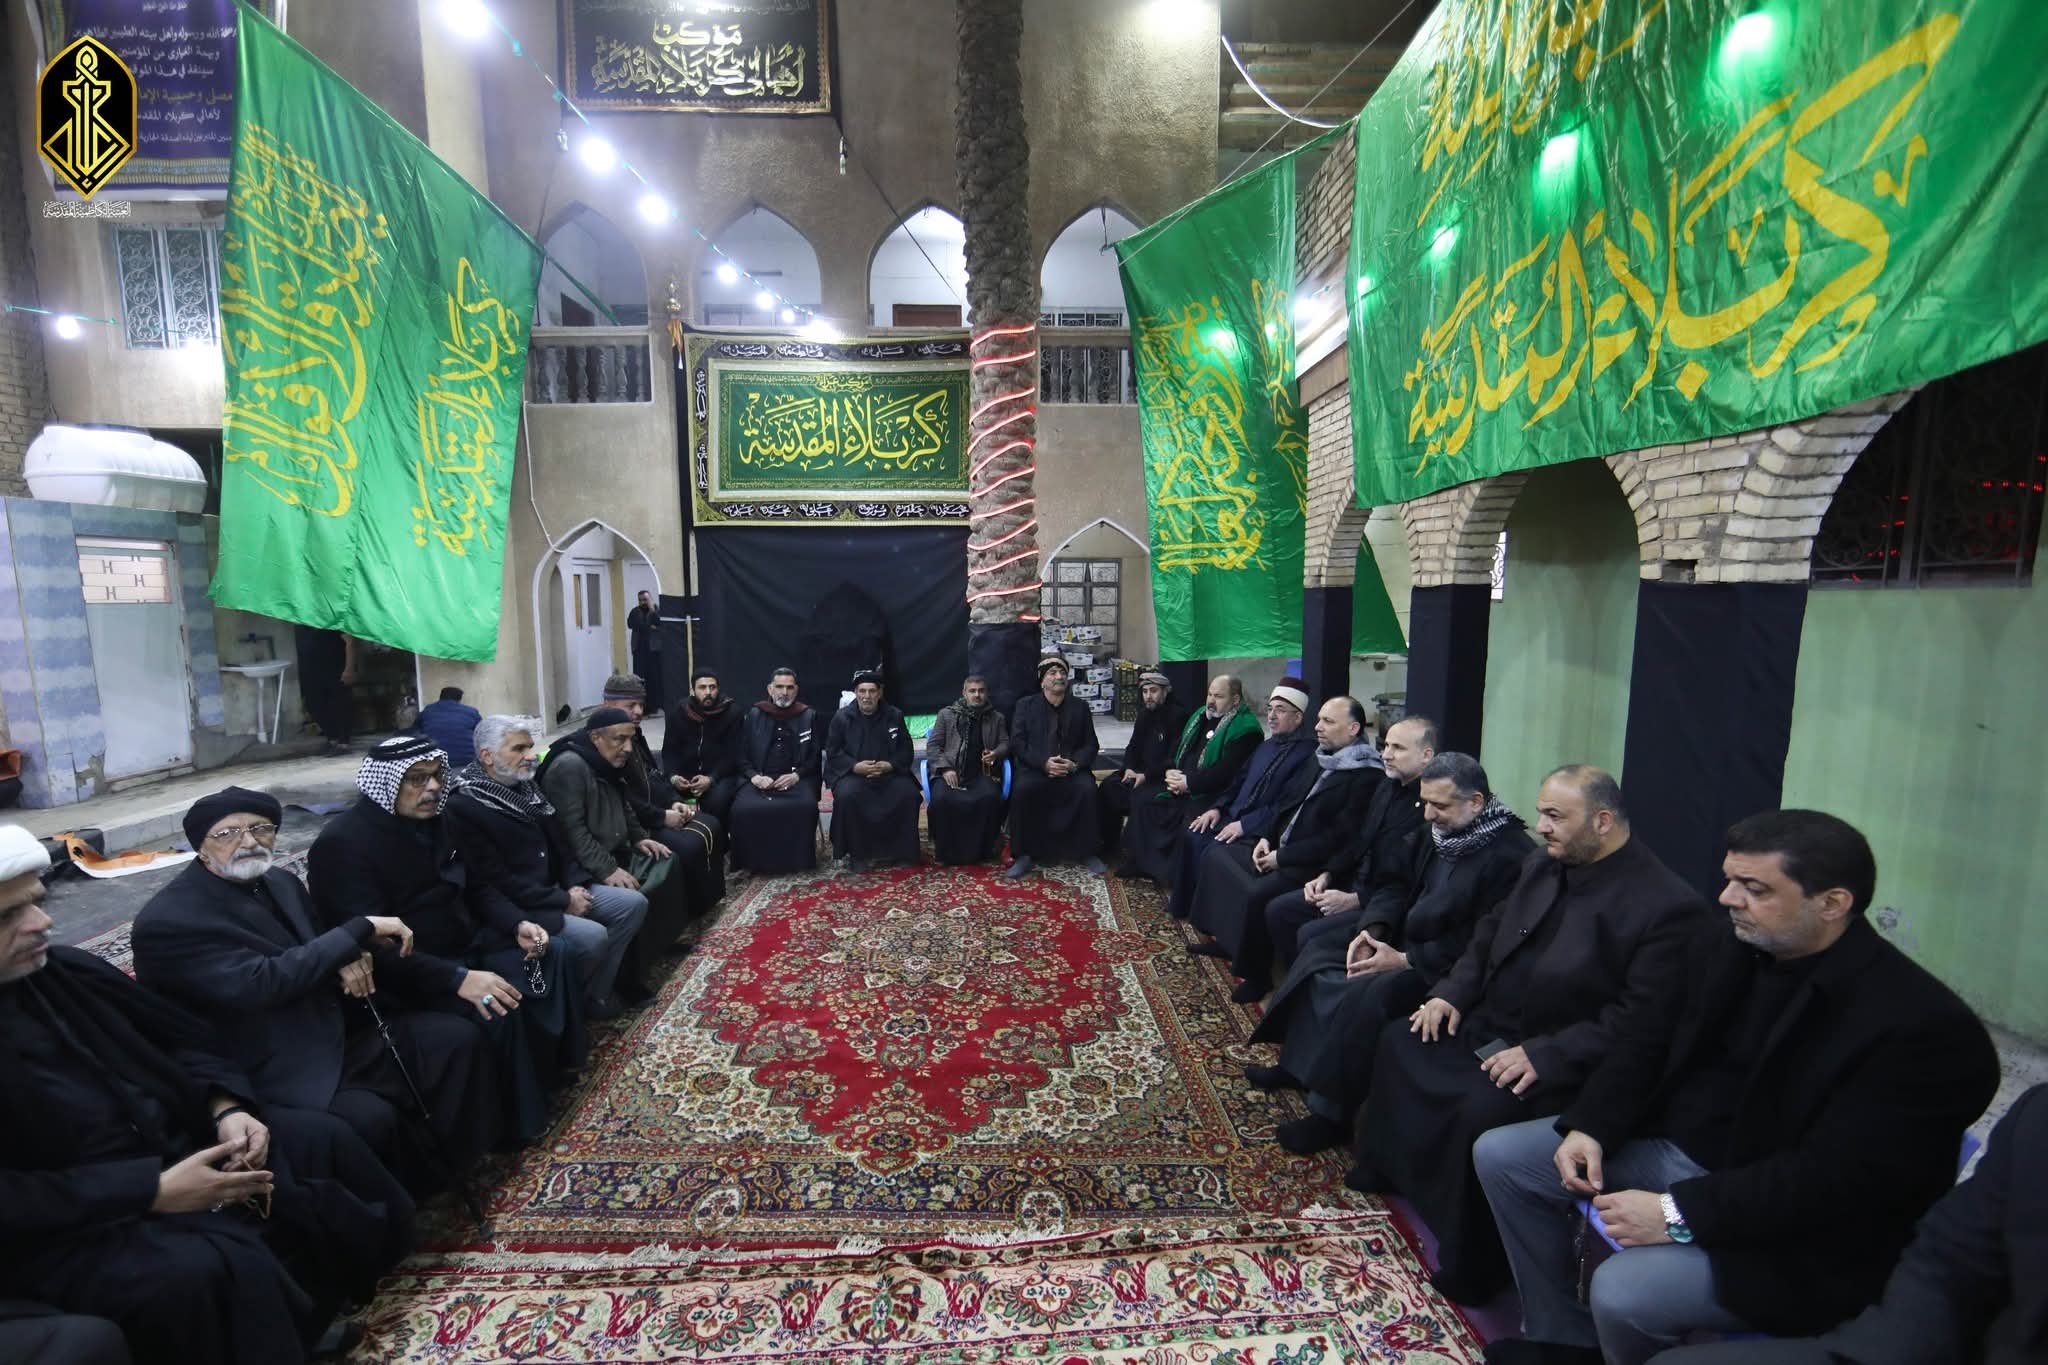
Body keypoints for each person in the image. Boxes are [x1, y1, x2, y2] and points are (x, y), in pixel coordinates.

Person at [1474, 810, 2001, 1365]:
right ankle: (1564, 1339)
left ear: (1832, 903)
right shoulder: (1732, 942)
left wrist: (1676, 1214)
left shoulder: (1923, 1029)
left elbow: (1834, 1182)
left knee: (1624, 1291)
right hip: (1680, 1150)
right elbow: (1646, 1037)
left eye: (1754, 888)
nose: (1727, 898)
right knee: (1503, 1156)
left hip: (1794, 1226)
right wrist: (1591, 1126)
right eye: (1728, 880)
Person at [0, 824, 407, 1364]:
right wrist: (149, 1190)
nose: (42, 922)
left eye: (36, 903)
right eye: (9, 916)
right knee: (197, 1268)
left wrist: (226, 1107)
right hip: (74, 1219)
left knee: (314, 1139)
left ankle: (302, 1317)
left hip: (177, 1139)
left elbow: (182, 1038)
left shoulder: (67, 971)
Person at [1353, 766, 1708, 1306]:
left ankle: (1472, 1260)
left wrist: (1544, 1054)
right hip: (1489, 1021)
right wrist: (1450, 993)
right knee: (1400, 1042)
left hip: (1558, 1052)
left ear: (1603, 821)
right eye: (1541, 813)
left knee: (1479, 1110)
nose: (1540, 826)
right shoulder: (1544, 863)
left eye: (1554, 816)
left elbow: (1637, 1023)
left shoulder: (1667, 907)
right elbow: (1488, 934)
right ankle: (1391, 1167)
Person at [133, 787, 501, 1194]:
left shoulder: (279, 881)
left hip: (336, 1025)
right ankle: (410, 1198)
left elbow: (318, 941)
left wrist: (351, 954)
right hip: (274, 1058)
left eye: (260, 828)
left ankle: (449, 1169)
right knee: (371, 1118)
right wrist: (358, 931)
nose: (249, 841)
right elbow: (263, 981)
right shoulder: (169, 920)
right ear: (200, 848)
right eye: (228, 834)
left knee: (455, 1041)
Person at [1247, 752, 1530, 1156]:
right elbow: (1394, 885)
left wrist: (1405, 960)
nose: (1428, 815)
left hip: (1443, 966)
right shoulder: (1438, 831)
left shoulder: (1511, 857)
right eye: (1425, 803)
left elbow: (1482, 939)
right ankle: (1297, 1067)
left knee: (1370, 994)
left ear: (1476, 803)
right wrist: (1372, 929)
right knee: (1317, 951)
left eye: (1439, 805)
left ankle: (1330, 1115)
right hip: (1397, 936)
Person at [309, 735, 587, 1146]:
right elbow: (373, 948)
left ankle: (552, 1073)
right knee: (496, 1003)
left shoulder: (441, 821)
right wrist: (457, 978)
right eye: (417, 779)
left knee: (550, 953)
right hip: (415, 975)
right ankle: (516, 1123)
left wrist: (516, 925)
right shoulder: (343, 844)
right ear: (385, 783)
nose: (434, 787)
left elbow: (479, 887)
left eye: (437, 775)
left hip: (469, 942)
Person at [1650, 1083, 2046, 1365]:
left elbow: (1825, 1178)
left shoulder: (1929, 1038)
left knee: (1630, 1290)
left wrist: (1679, 1211)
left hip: (1811, 1258)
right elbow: (1947, 1263)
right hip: (1907, 1343)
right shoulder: (2037, 1117)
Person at [448, 715, 650, 1022]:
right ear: (487, 756)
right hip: (522, 907)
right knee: (593, 937)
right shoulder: (465, 805)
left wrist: (573, 884)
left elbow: (561, 845)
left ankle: (592, 995)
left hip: (557, 889)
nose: (531, 756)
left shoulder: (527, 789)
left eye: (530, 747)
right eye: (519, 749)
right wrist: (563, 901)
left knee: (632, 904)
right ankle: (570, 1007)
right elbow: (496, 881)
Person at [1186, 695, 1381, 1001]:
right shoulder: (1321, 757)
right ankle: (1228, 940)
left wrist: (1282, 857)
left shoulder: (1365, 774)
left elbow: (1339, 838)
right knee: (1219, 857)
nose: (1318, 727)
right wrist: (1266, 837)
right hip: (1282, 845)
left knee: (1256, 893)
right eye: (1319, 719)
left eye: (1328, 721)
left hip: (1314, 863)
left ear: (1353, 729)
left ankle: (1257, 974)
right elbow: (1287, 802)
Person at [1260, 713, 1436, 970]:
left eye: (1398, 748)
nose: (1386, 755)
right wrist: (1327, 875)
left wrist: (1355, 899)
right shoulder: (1387, 786)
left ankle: (1309, 982)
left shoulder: (1430, 806)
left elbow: (1407, 881)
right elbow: (1358, 840)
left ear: (1426, 755)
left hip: (1382, 905)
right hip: (1352, 882)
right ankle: (1294, 980)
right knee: (1279, 910)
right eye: (1386, 745)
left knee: (1310, 935)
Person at [534, 710, 667, 1004]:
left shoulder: (605, 759)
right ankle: (611, 986)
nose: (628, 748)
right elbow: (572, 831)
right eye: (620, 739)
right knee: (632, 896)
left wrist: (639, 836)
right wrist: (607, 870)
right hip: (583, 866)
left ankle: (654, 954)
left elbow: (623, 802)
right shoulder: (570, 766)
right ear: (596, 737)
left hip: (614, 848)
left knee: (667, 860)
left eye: (631, 740)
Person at [1162, 679, 1318, 921]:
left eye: (1280, 710)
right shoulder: (1266, 746)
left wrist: (1244, 825)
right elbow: (1237, 782)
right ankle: (1188, 909)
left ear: (1298, 718)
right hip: (1231, 815)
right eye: (1270, 709)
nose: (1272, 716)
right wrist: (1216, 809)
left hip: (1259, 829)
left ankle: (1211, 921)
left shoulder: (1307, 754)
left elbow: (1285, 805)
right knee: (1194, 833)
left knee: (1212, 850)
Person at [603, 673, 725, 923]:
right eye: (630, 705)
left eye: (641, 705)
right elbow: (622, 797)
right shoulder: (605, 742)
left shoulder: (635, 734)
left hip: (655, 810)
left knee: (711, 823)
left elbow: (652, 775)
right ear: (608, 705)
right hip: (635, 824)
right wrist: (661, 817)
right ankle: (687, 915)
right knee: (688, 846)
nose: (638, 712)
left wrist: (673, 801)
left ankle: (707, 907)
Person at [1122, 675, 1262, 885]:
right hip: (1182, 783)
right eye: (1210, 695)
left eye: (1219, 696)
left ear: (1235, 700)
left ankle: (1170, 875)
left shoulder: (1246, 729)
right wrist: (1171, 772)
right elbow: (1179, 750)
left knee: (1183, 818)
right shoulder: (1200, 716)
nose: (1211, 701)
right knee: (1142, 800)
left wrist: (1188, 784)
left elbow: (1225, 773)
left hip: (1213, 793)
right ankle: (1144, 864)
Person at [1005, 657, 1105, 878]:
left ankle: (1087, 851)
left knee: (1087, 789)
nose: (1059, 677)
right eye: (1052, 672)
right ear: (1042, 681)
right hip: (1036, 768)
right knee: (1023, 790)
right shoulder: (1025, 705)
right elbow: (1018, 743)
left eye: (1062, 672)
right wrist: (1043, 763)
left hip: (1071, 769)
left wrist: (1074, 764)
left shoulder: (1080, 707)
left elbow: (1091, 744)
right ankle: (1024, 854)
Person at [824, 670, 921, 871]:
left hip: (889, 774)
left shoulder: (894, 715)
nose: (867, 696)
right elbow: (833, 752)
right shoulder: (841, 718)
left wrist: (890, 765)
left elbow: (906, 749)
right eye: (862, 691)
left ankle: (901, 852)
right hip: (852, 774)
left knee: (909, 794)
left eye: (871, 691)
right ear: (856, 693)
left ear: (880, 693)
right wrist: (854, 766)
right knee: (848, 796)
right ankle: (858, 854)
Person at [731, 668, 823, 874]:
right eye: (779, 687)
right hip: (759, 778)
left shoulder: (808, 715)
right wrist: (754, 777)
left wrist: (796, 776)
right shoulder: (754, 714)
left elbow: (815, 757)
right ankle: (753, 863)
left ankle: (797, 862)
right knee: (742, 810)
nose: (784, 692)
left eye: (789, 687)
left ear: (796, 690)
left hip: (797, 779)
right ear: (770, 689)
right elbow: (740, 756)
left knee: (805, 806)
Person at [1098, 670, 1191, 865]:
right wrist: (1129, 768)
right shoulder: (1144, 715)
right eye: (1145, 691)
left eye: (1153, 691)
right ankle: (1108, 845)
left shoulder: (1178, 716)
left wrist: (1147, 775)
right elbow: (1133, 746)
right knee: (1108, 787)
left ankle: (1137, 858)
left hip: (1161, 778)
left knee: (1141, 799)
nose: (1148, 696)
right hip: (1138, 773)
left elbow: (1174, 757)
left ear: (1165, 691)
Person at [925, 674, 1012, 865]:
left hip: (981, 773)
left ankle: (983, 851)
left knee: (990, 797)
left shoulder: (996, 717)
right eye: (972, 691)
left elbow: (1005, 743)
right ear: (964, 693)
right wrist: (945, 768)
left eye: (981, 691)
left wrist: (995, 753)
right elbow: (933, 746)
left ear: (986, 693)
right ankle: (945, 853)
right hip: (950, 772)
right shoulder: (946, 715)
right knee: (941, 799)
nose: (977, 695)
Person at [662, 668, 745, 837]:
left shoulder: (732, 712)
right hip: (684, 775)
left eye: (712, 687)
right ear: (692, 690)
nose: (708, 692)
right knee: (664, 794)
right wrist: (673, 776)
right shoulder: (679, 711)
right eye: (702, 687)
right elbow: (669, 750)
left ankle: (720, 843)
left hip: (719, 774)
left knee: (718, 800)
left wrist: (711, 779)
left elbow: (734, 754)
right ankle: (685, 843)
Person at [293, 625, 358, 754]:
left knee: (340, 705)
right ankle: (332, 738)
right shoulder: (302, 623)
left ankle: (343, 743)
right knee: (314, 705)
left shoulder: (332, 619)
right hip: (312, 672)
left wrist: (349, 668)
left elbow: (350, 642)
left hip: (335, 669)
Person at [415, 686, 482, 767]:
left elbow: (415, 733)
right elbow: (482, 734)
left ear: (441, 697)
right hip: (466, 761)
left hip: (435, 762)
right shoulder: (471, 712)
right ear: (459, 699)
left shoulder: (427, 711)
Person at [626, 589, 664, 716]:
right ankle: (642, 707)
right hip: (639, 650)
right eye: (640, 600)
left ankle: (656, 706)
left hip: (654, 651)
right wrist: (649, 626)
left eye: (645, 600)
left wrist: (652, 611)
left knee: (654, 679)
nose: (642, 602)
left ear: (650, 599)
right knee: (640, 680)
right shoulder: (635, 612)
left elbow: (661, 624)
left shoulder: (657, 610)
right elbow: (632, 624)